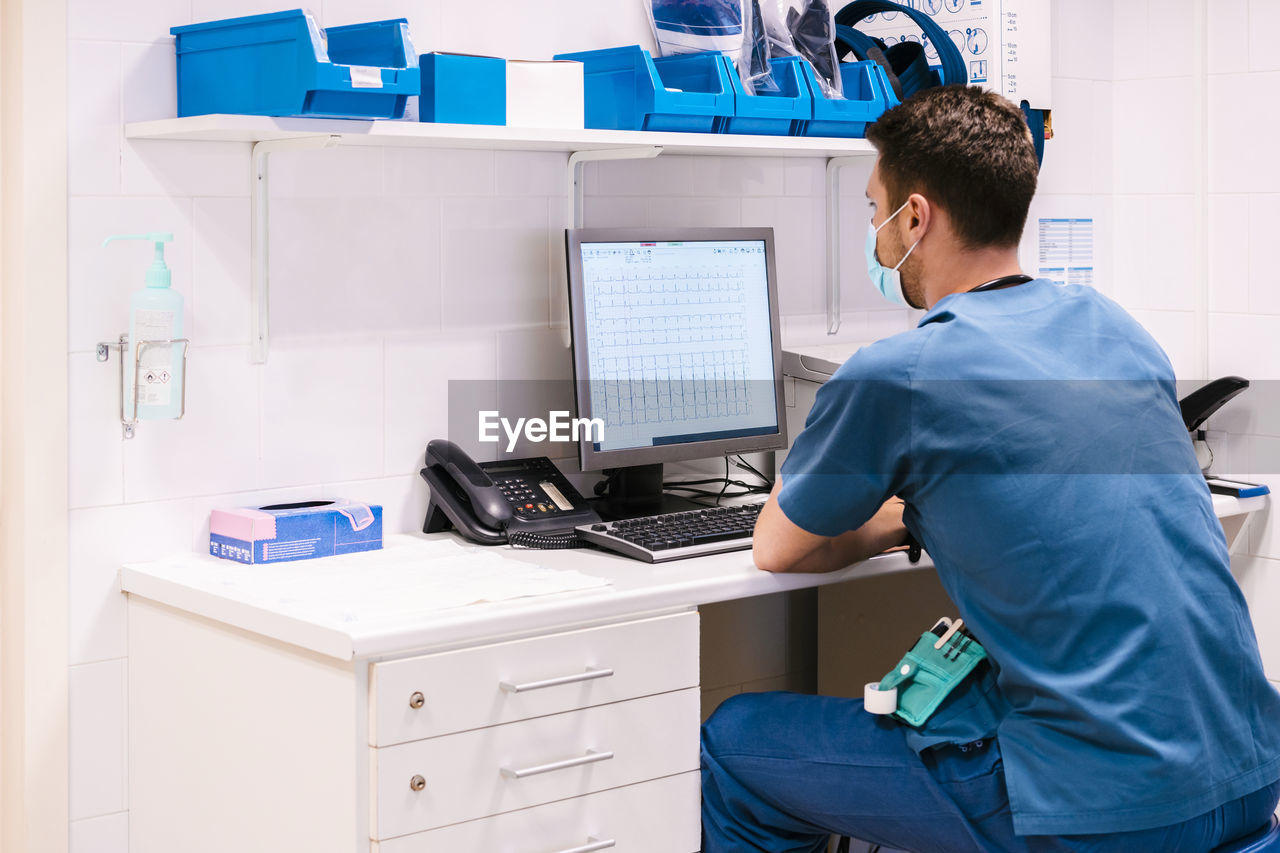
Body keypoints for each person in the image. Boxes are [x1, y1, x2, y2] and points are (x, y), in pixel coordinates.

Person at [700, 85, 1280, 852]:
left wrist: (892, 521)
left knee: (738, 741)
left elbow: (777, 545)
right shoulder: (1114, 327)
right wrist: (923, 514)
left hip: (1106, 807)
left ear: (915, 217)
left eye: (874, 209)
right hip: (1245, 772)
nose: (874, 235)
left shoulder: (900, 372)